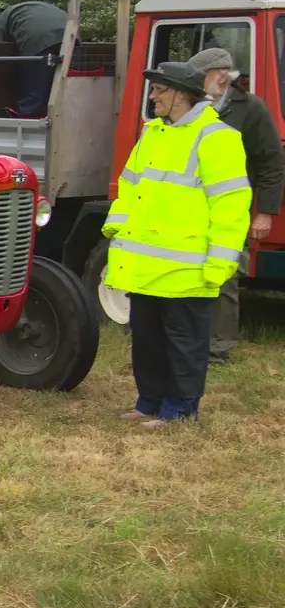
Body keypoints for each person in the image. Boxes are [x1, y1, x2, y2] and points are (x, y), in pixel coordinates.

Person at [102, 60, 251, 428]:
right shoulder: (153, 132)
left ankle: (181, 410)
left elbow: (231, 207)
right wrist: (116, 229)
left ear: (182, 95)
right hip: (145, 266)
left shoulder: (217, 137)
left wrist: (218, 265)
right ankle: (149, 402)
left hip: (187, 268)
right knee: (148, 341)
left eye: (160, 90)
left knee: (184, 344)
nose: (153, 97)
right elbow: (130, 188)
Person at [185, 47, 285, 362]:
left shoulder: (252, 109)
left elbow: (271, 162)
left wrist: (265, 213)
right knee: (190, 273)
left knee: (225, 276)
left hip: (230, 208)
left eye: (199, 78)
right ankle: (190, 340)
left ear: (221, 77)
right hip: (193, 206)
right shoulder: (193, 107)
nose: (194, 84)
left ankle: (218, 349)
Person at [0, 0, 68, 116]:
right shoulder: (25, 9)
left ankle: (29, 127)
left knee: (33, 95)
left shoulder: (0, 20)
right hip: (71, 35)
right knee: (67, 92)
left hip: (38, 40)